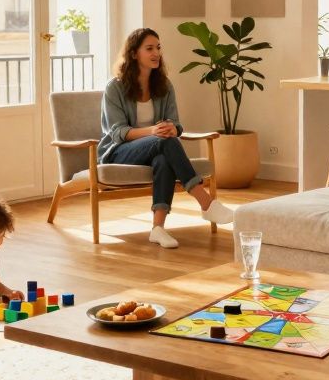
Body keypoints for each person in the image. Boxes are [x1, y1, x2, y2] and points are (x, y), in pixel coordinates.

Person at [99, 27, 235, 249]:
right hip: (120, 151)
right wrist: (154, 131)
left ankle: (158, 229)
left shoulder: (164, 85)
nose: (156, 53)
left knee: (164, 157)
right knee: (164, 141)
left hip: (157, 147)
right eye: (149, 48)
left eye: (158, 48)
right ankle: (205, 201)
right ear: (134, 54)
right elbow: (117, 132)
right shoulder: (114, 88)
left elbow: (176, 123)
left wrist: (173, 129)